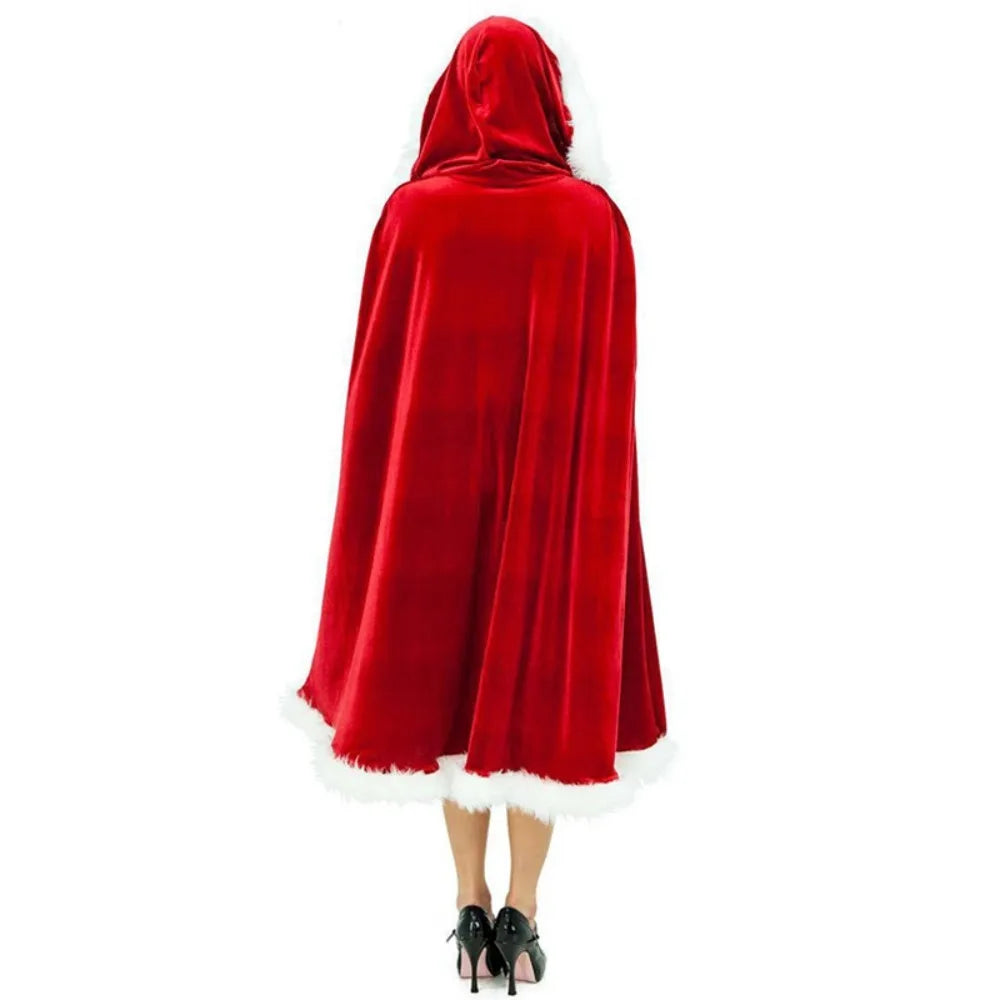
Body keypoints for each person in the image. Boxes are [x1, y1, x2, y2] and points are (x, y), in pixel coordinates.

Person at [283, 15, 669, 993]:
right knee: (538, 702)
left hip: (435, 504)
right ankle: (522, 915)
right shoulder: (593, 221)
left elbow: (376, 385)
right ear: (550, 97)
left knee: (446, 696)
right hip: (555, 499)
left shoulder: (411, 216)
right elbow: (613, 394)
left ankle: (467, 905)